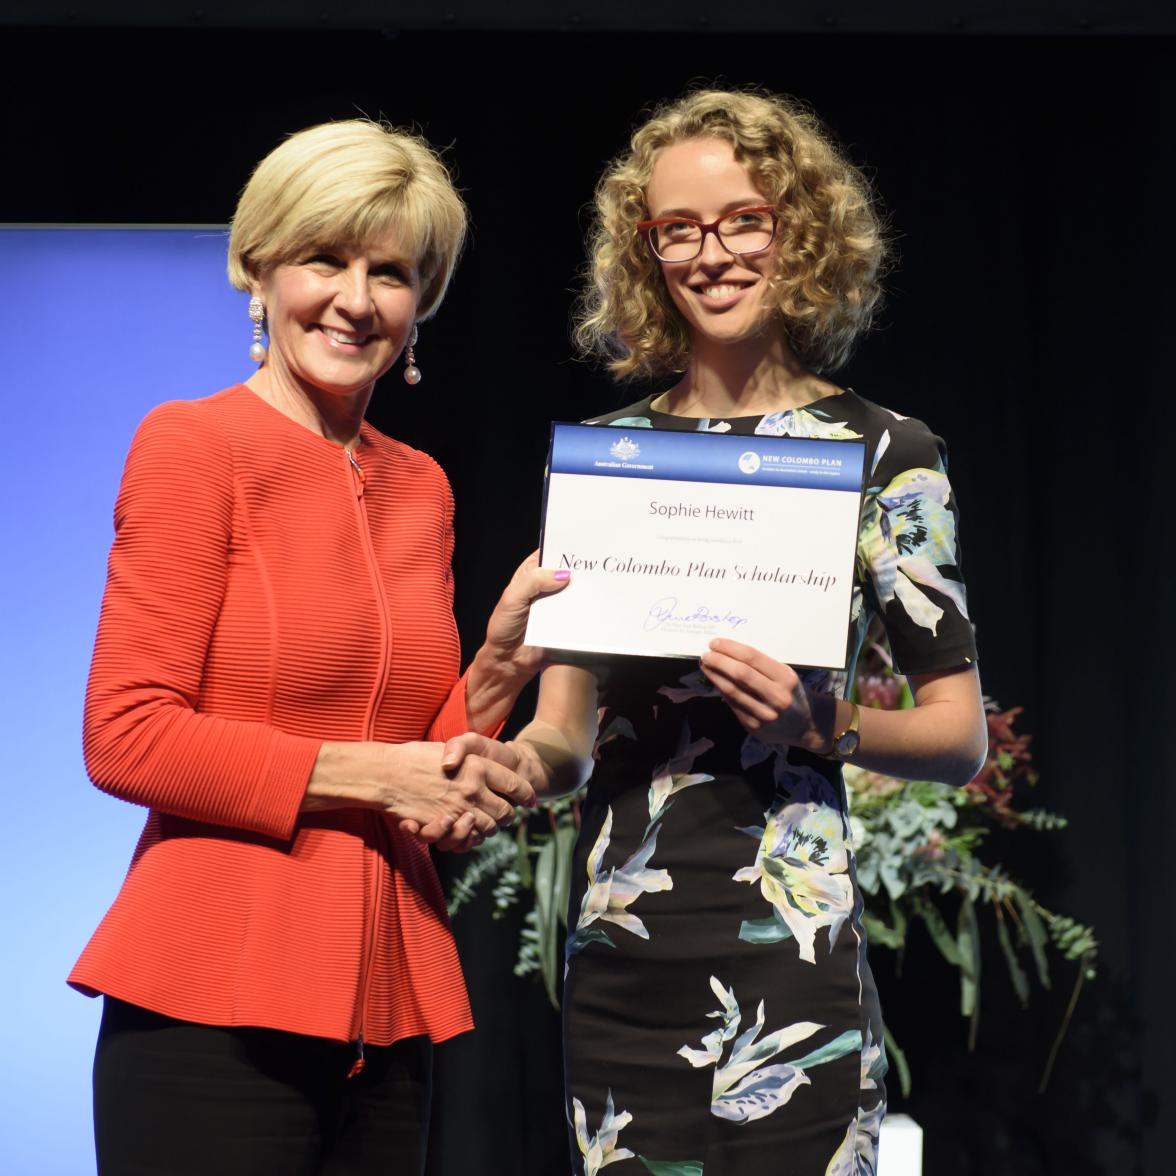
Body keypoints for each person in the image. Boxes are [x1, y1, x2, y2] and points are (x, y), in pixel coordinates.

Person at [504, 89, 988, 1173]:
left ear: (800, 229)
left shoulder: (885, 453)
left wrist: (830, 724)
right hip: (623, 967)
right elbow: (563, 740)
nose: (711, 253)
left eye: (744, 220)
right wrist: (492, 763)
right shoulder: (602, 459)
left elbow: (960, 737)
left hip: (793, 964)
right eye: (679, 228)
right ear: (647, 250)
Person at [69, 119, 566, 1176]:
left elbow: (410, 759)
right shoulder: (190, 447)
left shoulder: (419, 485)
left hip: (384, 1001)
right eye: (323, 259)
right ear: (258, 269)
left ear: (422, 304)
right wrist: (372, 776)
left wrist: (497, 672)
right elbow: (126, 736)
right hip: (212, 996)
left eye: (391, 271)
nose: (355, 297)